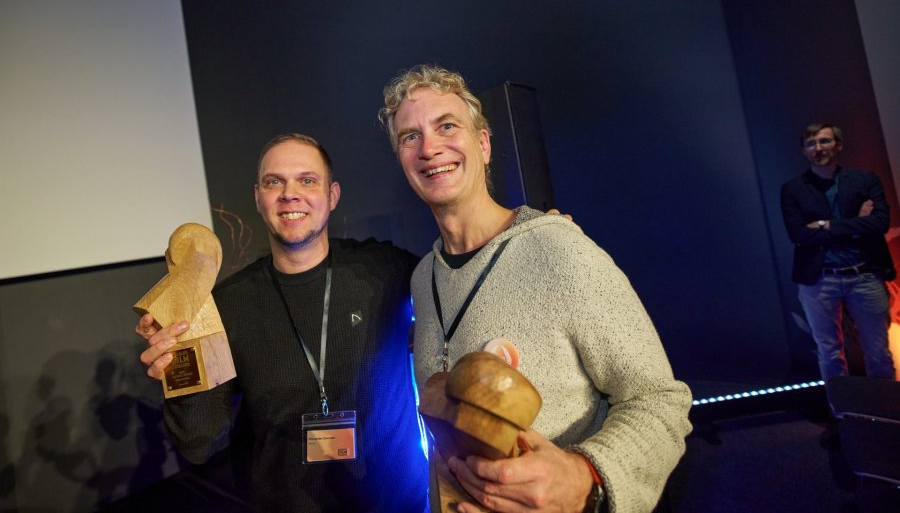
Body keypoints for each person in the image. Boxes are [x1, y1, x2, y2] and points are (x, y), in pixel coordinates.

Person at [378, 65, 692, 513]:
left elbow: (659, 400)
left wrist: (587, 476)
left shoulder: (559, 249)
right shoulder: (424, 278)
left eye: (446, 126)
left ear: (483, 145)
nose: (429, 147)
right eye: (410, 136)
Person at [135, 134, 428, 512]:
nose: (290, 194)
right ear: (258, 197)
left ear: (333, 195)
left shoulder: (385, 269)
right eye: (275, 182)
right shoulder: (227, 305)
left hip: (398, 505)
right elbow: (198, 441)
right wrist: (177, 370)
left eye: (307, 180)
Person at [780, 123, 896, 382]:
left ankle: (887, 415)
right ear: (804, 151)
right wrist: (856, 225)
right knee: (829, 352)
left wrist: (825, 225)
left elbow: (879, 223)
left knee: (878, 352)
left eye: (824, 141)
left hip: (865, 274)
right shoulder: (793, 189)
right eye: (811, 144)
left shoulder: (865, 180)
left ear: (838, 145)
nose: (818, 148)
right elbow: (798, 235)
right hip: (820, 279)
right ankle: (843, 414)